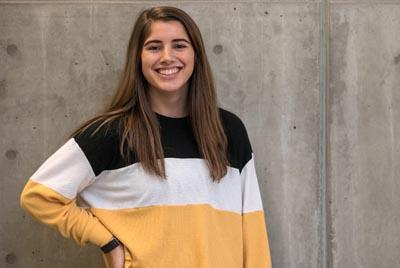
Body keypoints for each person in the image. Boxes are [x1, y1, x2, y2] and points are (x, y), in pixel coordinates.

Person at [20, 6, 271, 268]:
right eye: (154, 47)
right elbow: (39, 195)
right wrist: (108, 242)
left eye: (179, 45)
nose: (167, 57)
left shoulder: (228, 131)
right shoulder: (113, 133)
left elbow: (252, 231)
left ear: (195, 54)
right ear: (138, 58)